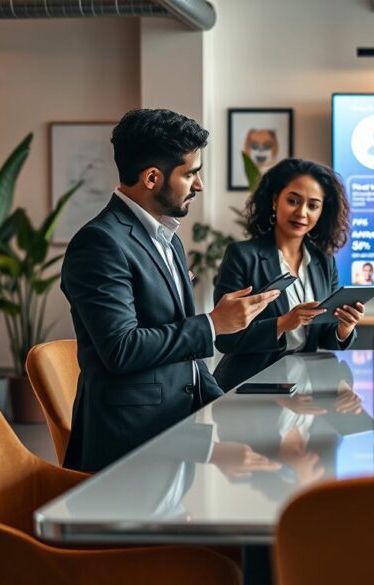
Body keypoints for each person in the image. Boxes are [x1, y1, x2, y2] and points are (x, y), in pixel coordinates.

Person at [61, 108, 280, 472]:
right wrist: (213, 325)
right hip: (130, 445)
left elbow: (186, 358)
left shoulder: (168, 239)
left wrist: (224, 408)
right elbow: (122, 349)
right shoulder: (99, 243)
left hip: (178, 429)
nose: (199, 185)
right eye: (190, 173)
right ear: (151, 177)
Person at [212, 158, 365, 391]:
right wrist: (283, 323)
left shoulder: (324, 262)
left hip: (305, 386)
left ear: (322, 211)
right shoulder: (242, 256)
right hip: (250, 387)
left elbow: (324, 336)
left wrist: (345, 327)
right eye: (293, 201)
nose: (301, 213)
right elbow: (226, 337)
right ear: (275, 201)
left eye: (313, 205)